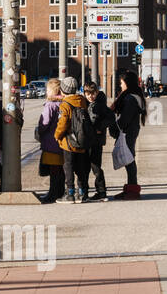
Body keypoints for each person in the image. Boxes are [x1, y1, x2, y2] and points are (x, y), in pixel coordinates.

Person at [54, 75, 93, 203]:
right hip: (82, 140)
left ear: (63, 90)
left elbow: (63, 124)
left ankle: (70, 193)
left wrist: (57, 136)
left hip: (68, 142)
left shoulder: (65, 105)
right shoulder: (81, 100)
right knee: (81, 168)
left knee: (69, 167)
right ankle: (82, 192)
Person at [111, 70, 147, 200]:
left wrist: (114, 127)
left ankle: (133, 190)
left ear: (127, 83)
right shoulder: (132, 96)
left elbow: (125, 118)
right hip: (130, 130)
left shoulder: (130, 98)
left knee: (129, 159)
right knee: (129, 159)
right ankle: (130, 188)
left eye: (121, 83)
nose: (121, 85)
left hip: (128, 131)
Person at [82, 81, 116, 201]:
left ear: (97, 93)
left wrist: (99, 127)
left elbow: (111, 118)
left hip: (96, 141)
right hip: (85, 141)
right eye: (88, 94)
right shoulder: (83, 104)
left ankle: (101, 191)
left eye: (93, 93)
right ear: (84, 93)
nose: (91, 96)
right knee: (84, 168)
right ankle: (84, 191)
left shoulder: (101, 105)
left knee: (96, 167)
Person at [34, 78, 64, 204]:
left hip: (50, 142)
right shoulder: (63, 103)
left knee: (53, 171)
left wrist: (39, 131)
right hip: (61, 142)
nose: (46, 92)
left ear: (52, 90)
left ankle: (52, 194)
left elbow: (44, 123)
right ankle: (60, 192)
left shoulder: (50, 105)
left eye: (47, 89)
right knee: (60, 170)